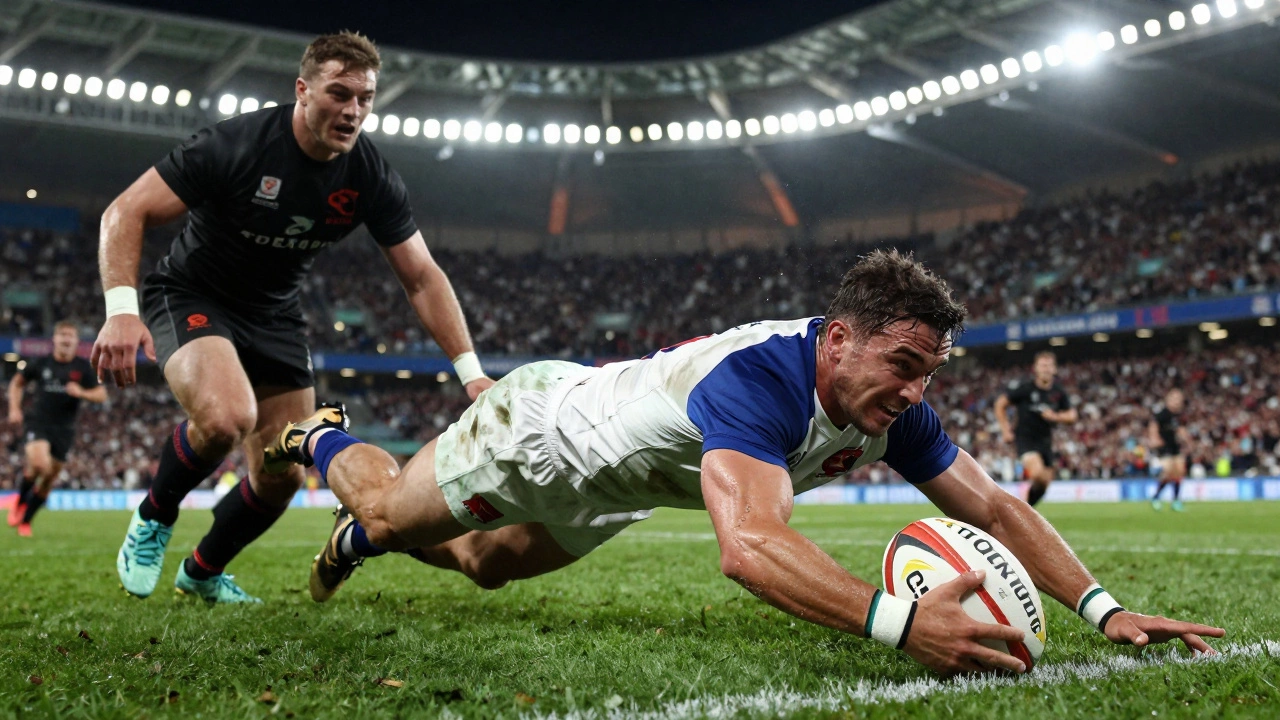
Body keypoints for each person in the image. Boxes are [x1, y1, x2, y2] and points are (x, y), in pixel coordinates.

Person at [269, 251, 1222, 677]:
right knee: (390, 515)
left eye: (929, 373)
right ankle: (322, 438)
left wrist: (1104, 608)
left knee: (485, 568)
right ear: (839, 339)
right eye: (902, 365)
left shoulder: (893, 408)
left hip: (620, 487)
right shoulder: (760, 378)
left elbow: (998, 509)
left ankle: (359, 530)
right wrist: (899, 625)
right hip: (539, 432)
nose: (916, 391)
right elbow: (750, 545)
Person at [91, 31, 494, 604]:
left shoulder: (369, 176)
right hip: (193, 295)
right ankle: (154, 515)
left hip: (275, 316)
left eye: (365, 98)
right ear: (303, 90)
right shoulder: (237, 144)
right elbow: (125, 211)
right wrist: (120, 312)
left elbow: (422, 276)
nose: (353, 110)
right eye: (339, 93)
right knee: (227, 418)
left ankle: (201, 572)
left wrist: (471, 373)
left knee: (281, 474)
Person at [4, 322, 107, 536]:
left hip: (65, 429)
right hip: (39, 421)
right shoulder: (41, 363)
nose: (66, 339)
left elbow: (101, 395)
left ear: (76, 341)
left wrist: (81, 392)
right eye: (62, 335)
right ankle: (20, 501)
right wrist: (14, 408)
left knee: (48, 478)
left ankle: (26, 521)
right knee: (40, 464)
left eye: (70, 335)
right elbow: (17, 383)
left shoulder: (83, 368)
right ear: (54, 339)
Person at [994, 352, 1076, 507]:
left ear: (1054, 369)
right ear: (1036, 369)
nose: (1046, 369)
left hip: (1046, 441)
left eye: (1049, 366)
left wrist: (1055, 417)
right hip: (1025, 439)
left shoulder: (1058, 392)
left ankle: (1026, 508)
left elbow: (1072, 415)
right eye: (1043, 365)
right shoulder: (1026, 388)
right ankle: (1022, 508)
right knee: (1037, 474)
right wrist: (1005, 429)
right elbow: (1000, 404)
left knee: (1044, 483)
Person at [1148, 388, 1189, 511]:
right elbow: (1153, 425)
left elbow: (1179, 429)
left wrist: (1185, 437)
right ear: (1168, 400)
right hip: (1164, 446)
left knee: (1179, 471)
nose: (1177, 402)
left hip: (1174, 445)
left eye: (1179, 399)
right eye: (1175, 399)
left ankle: (1175, 500)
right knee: (1169, 471)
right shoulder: (1162, 413)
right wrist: (1154, 438)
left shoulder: (1178, 415)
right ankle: (1156, 497)